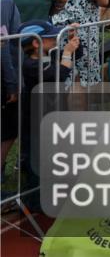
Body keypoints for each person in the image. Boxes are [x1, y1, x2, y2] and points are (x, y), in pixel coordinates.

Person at [17, 20, 79, 212]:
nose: (56, 40)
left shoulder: (50, 55)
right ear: (36, 43)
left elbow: (78, 54)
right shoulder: (29, 65)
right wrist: (67, 52)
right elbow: (58, 74)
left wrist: (72, 42)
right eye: (52, 37)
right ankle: (33, 200)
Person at [1, 0, 38, 169]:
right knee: (6, 134)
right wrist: (12, 84)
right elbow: (3, 45)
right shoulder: (4, 1)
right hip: (6, 80)